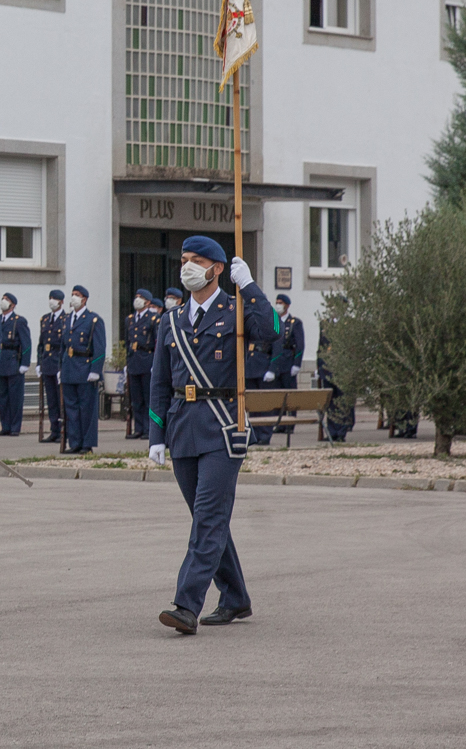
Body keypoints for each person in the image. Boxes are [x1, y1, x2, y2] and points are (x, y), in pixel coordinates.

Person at [148, 238, 274, 634]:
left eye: (196, 261)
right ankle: (235, 597)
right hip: (182, 426)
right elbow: (158, 382)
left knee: (207, 517)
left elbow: (271, 331)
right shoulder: (170, 321)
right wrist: (156, 434)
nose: (187, 267)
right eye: (184, 260)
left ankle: (186, 604)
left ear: (217, 268)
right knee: (209, 519)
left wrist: (250, 286)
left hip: (222, 427)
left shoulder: (235, 311)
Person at [60, 285, 106, 454]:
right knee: (71, 409)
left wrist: (95, 370)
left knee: (86, 410)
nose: (73, 298)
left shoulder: (93, 320)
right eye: (72, 295)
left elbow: (100, 348)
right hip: (69, 369)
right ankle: (75, 442)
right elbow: (63, 347)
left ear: (84, 299)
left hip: (85, 368)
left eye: (77, 295)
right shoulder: (67, 319)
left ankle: (87, 444)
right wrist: (60, 367)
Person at [239, 275, 282, 446]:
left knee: (264, 405)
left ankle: (265, 434)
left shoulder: (267, 316)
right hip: (250, 365)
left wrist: (272, 368)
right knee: (253, 405)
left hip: (264, 366)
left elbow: (277, 345)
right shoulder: (246, 314)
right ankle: (255, 433)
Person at [258, 293, 303, 447]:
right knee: (277, 396)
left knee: (289, 395)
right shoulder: (274, 322)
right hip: (276, 364)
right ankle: (278, 423)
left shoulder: (294, 323)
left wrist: (297, 364)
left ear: (287, 305)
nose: (278, 305)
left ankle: (290, 423)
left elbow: (299, 344)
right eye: (276, 302)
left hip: (288, 363)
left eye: (280, 303)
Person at [0, 293, 31, 436]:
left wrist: (25, 363)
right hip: (0, 363)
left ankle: (15, 427)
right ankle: (6, 426)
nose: (3, 302)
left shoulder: (18, 321)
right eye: (2, 299)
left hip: (14, 363)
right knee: (2, 398)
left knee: (15, 398)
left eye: (7, 300)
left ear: (13, 305)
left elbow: (26, 344)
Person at [125, 289, 159, 440]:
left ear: (148, 302)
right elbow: (128, 341)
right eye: (136, 297)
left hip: (147, 359)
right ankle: (138, 428)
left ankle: (148, 429)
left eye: (141, 298)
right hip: (134, 361)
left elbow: (157, 342)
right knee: (136, 399)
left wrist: (156, 363)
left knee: (147, 398)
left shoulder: (154, 319)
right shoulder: (130, 319)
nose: (137, 299)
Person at [37, 290, 66, 442]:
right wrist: (39, 362)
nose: (52, 301)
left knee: (61, 400)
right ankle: (54, 429)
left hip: (58, 363)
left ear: (61, 302)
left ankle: (62, 429)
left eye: (55, 299)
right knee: (51, 401)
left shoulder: (66, 319)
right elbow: (41, 344)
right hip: (47, 364)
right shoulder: (45, 319)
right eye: (50, 298)